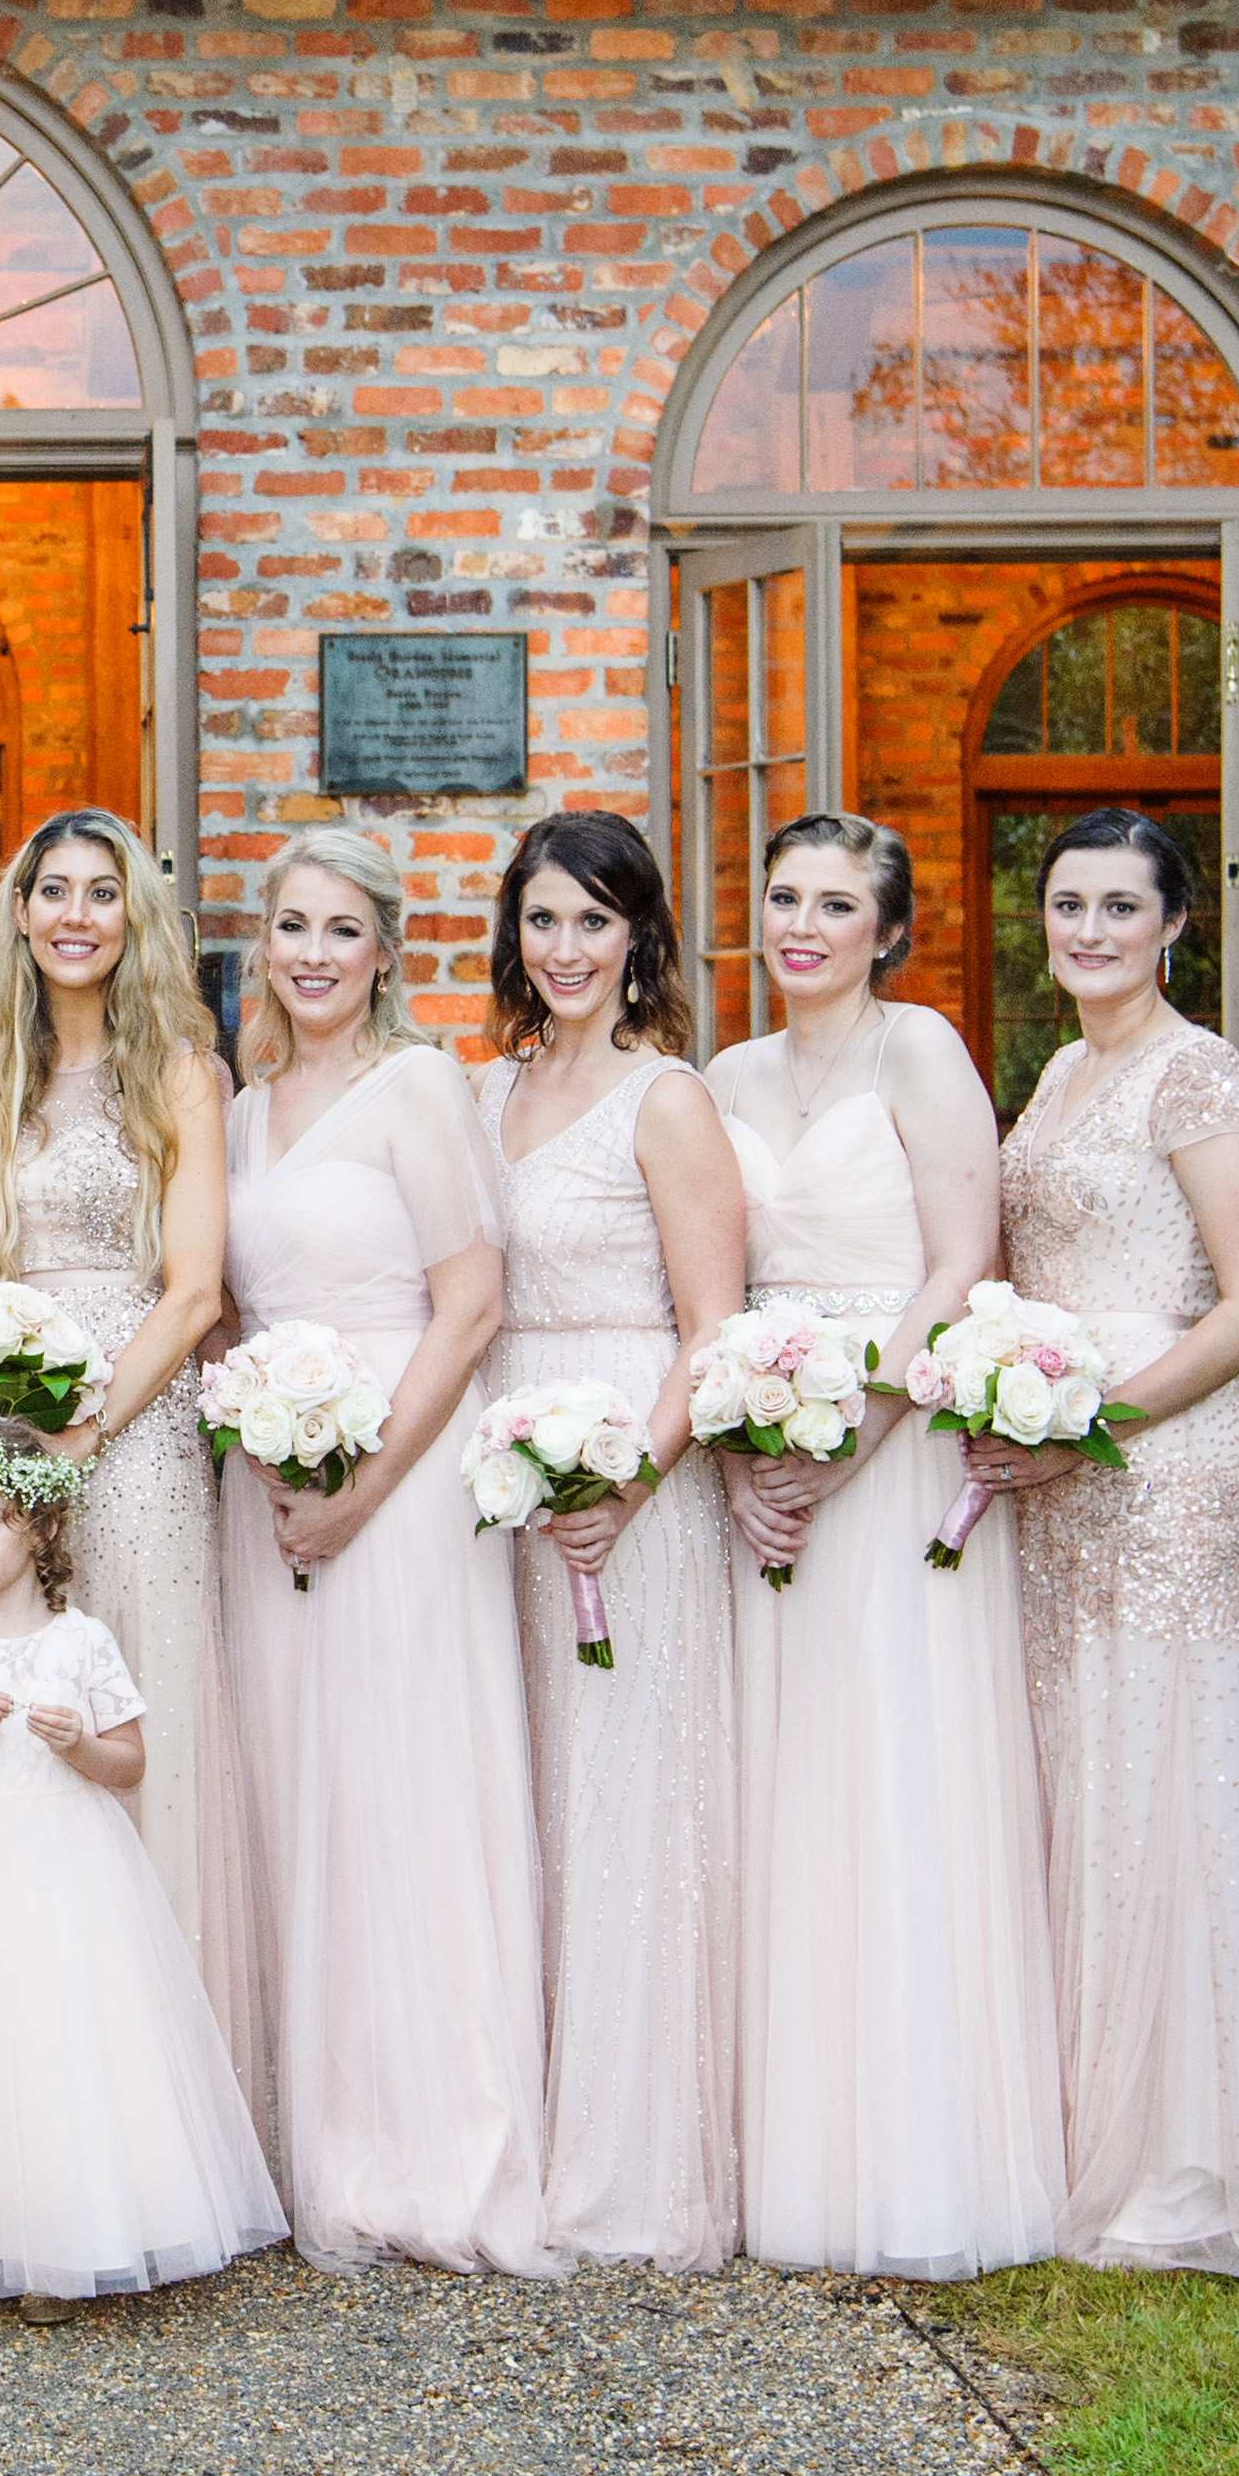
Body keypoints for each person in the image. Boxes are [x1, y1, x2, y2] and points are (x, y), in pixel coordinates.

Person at [961, 807, 1239, 2289]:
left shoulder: (1198, 1070)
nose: (1088, 930)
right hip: (1055, 1455)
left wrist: (1088, 1423)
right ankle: (1088, 2123)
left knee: (1163, 1769)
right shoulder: (1061, 1072)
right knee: (1080, 1764)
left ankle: (1192, 2151)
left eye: (1119, 906)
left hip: (1158, 1464)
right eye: (1067, 904)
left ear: (1173, 925)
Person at [704, 812, 1065, 2280]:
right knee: (782, 1772)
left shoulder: (918, 1051)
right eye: (783, 896)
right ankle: (792, 2144)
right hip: (768, 1450)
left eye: (835, 904)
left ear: (887, 930)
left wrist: (849, 1429)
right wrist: (745, 1445)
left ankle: (916, 2161)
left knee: (890, 1762)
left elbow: (960, 1259)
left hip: (893, 1440)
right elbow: (712, 1286)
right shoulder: (726, 1076)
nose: (801, 926)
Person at [214, 832, 559, 2278]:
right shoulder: (241, 1112)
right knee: (300, 1790)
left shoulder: (419, 1086)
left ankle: (440, 2150)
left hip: (401, 1481)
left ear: (385, 952)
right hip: (268, 1482)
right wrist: (262, 1434)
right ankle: (326, 2139)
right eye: (290, 926)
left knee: (406, 1784)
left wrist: (359, 1490)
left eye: (340, 930)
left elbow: (470, 1307)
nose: (312, 954)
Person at [0, 1421, 284, 2320]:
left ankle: (58, 2243)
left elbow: (130, 1764)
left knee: (58, 2037)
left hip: (65, 1867)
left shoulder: (82, 1640)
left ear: (42, 1525)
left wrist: (79, 1745)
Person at [0, 808, 262, 2105]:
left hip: (135, 1433)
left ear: (136, 919)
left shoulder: (180, 1073)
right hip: (1, 1441)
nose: (75, 914)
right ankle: (30, 2077)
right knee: (15, 1719)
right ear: (18, 915)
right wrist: (4, 1440)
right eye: (53, 891)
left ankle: (162, 2093)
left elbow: (193, 1293)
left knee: (137, 1711)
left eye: (101, 892)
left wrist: (86, 1434)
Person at [477, 808, 750, 2271]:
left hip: (627, 1471)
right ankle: (517, 2129)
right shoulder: (482, 1091)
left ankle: (631, 2161)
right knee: (516, 1792)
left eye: (594, 919)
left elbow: (712, 1329)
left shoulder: (667, 1099)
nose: (566, 947)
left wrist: (626, 1485)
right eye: (543, 919)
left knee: (623, 1793)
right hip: (498, 1477)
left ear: (640, 934)